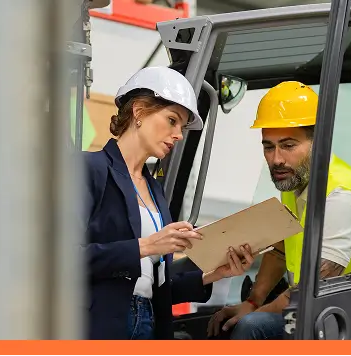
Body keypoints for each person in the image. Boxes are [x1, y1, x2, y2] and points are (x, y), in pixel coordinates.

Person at [206, 81, 351, 340]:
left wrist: (251, 316)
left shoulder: (342, 198)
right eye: (268, 146)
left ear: (319, 142)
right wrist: (252, 302)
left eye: (288, 145)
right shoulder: (295, 181)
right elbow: (281, 250)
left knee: (250, 328)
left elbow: (310, 290)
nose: (276, 158)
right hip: (325, 317)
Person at [83, 66, 255, 340]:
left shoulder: (154, 191)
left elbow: (155, 286)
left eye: (182, 127)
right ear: (139, 111)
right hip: (98, 324)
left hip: (149, 320)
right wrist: (146, 246)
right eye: (172, 120)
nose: (179, 134)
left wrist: (213, 274)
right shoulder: (89, 169)